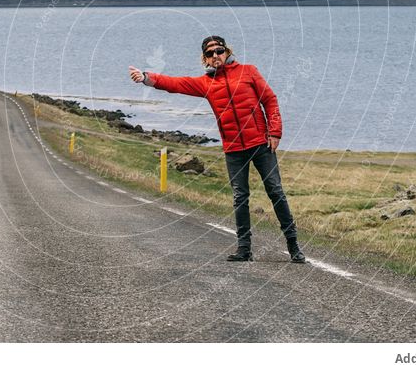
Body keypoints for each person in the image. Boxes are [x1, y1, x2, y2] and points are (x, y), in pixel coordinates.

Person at [129, 35, 306, 263]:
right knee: (240, 197)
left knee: (276, 192)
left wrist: (275, 132)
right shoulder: (205, 83)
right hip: (233, 149)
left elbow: (270, 100)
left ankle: (294, 247)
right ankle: (244, 249)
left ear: (227, 51)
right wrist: (145, 78)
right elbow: (174, 84)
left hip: (261, 144)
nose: (216, 56)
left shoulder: (249, 71)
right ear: (205, 59)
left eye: (219, 50)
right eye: (210, 53)